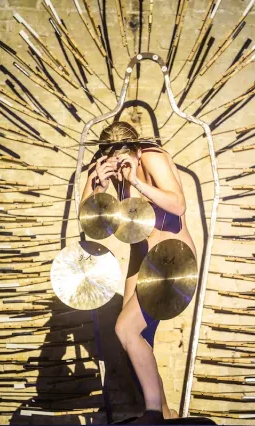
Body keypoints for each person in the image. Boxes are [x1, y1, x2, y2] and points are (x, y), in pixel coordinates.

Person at [81, 121, 197, 424]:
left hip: (173, 257)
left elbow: (178, 205)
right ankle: (167, 415)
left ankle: (154, 413)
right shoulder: (104, 168)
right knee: (133, 339)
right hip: (142, 259)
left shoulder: (152, 157)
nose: (119, 171)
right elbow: (90, 224)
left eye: (122, 162)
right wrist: (98, 187)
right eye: (113, 163)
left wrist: (136, 181)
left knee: (125, 328)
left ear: (134, 150)